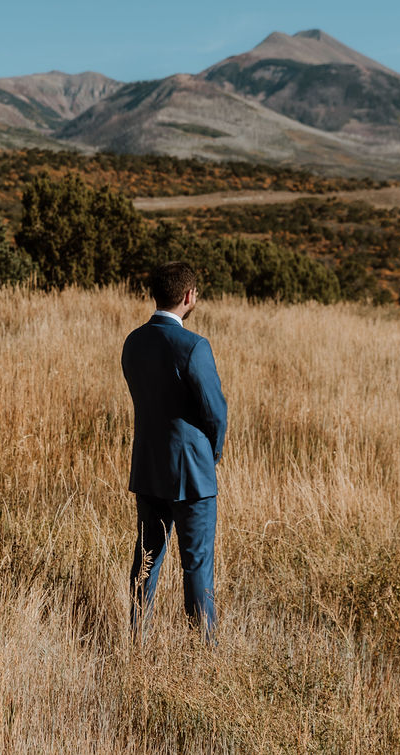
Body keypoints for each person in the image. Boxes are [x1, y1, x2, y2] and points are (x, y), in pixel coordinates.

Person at [121, 261, 227, 639]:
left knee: (146, 561)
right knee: (197, 565)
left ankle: (136, 637)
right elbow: (216, 411)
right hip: (193, 473)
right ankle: (203, 648)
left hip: (148, 466)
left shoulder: (133, 341)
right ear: (188, 296)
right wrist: (212, 455)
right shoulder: (194, 345)